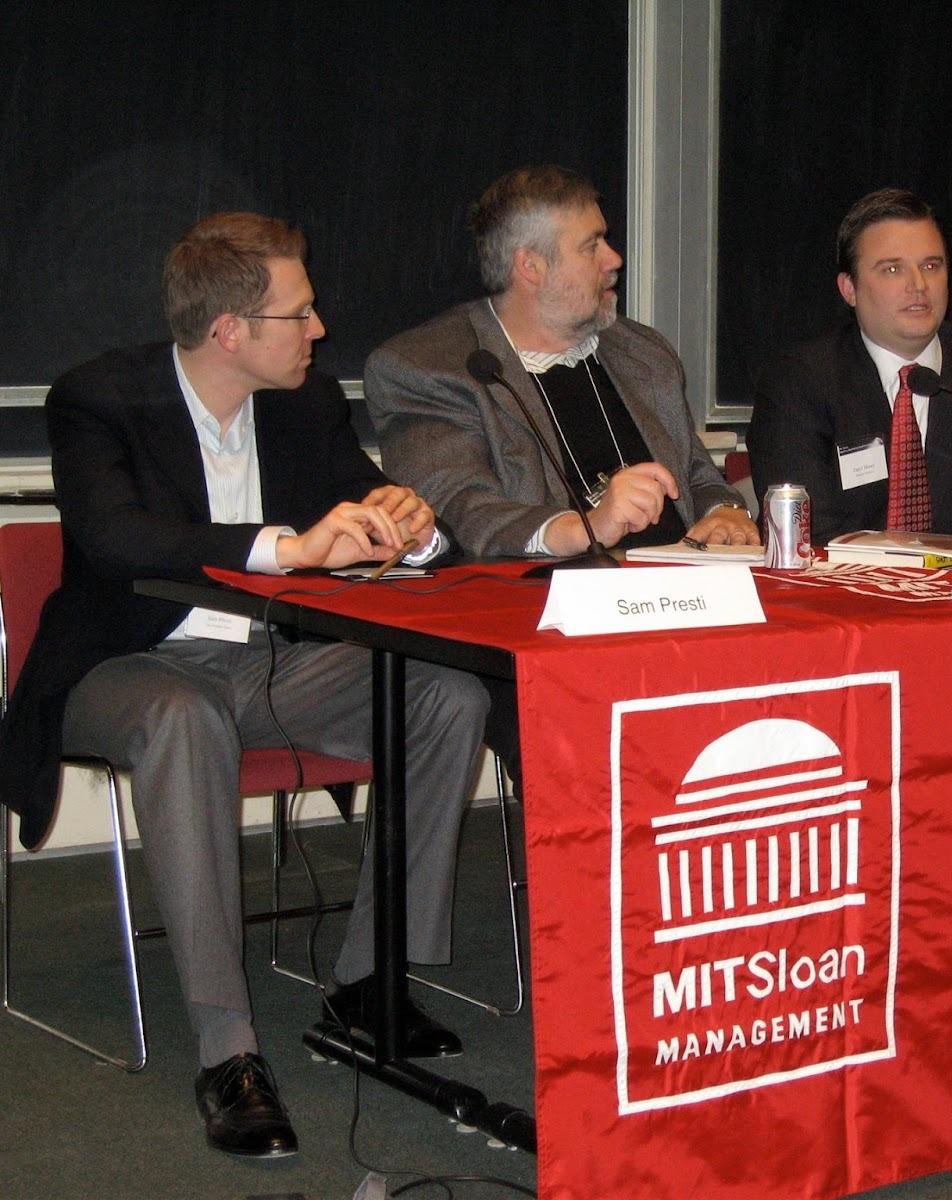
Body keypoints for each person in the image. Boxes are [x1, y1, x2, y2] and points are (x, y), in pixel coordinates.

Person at [0, 213, 489, 1159]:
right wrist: (286, 550)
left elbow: (375, 516)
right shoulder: (100, 399)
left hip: (267, 666)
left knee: (443, 693)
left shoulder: (306, 405)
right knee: (184, 718)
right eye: (300, 313)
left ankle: (368, 983)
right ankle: (228, 1051)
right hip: (123, 667)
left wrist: (412, 527)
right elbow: (116, 538)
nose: (320, 329)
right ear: (229, 330)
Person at [364, 164, 758, 776]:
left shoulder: (644, 353)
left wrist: (724, 512)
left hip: (687, 612)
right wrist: (586, 526)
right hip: (543, 629)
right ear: (531, 266)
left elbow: (698, 475)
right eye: (591, 245)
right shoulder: (430, 365)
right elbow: (459, 509)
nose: (615, 259)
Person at [746, 187, 952, 547]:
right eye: (892, 269)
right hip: (842, 580)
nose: (918, 285)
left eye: (931, 266)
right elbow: (805, 536)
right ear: (849, 289)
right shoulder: (798, 382)